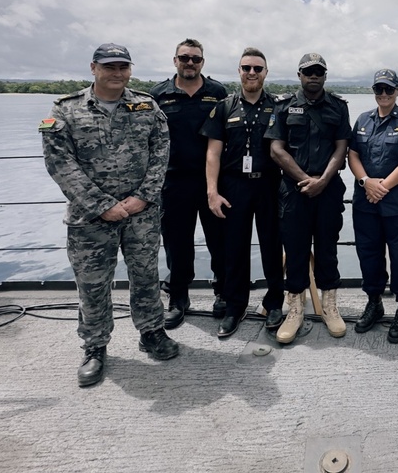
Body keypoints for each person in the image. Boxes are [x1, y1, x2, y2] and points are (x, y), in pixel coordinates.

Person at [40, 43, 178, 388]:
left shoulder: (146, 106)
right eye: (109, 66)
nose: (117, 73)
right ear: (93, 68)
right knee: (92, 283)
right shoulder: (66, 110)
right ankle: (95, 346)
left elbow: (161, 152)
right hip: (90, 217)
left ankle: (151, 332)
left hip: (141, 213)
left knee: (146, 274)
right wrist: (102, 204)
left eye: (123, 67)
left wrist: (144, 197)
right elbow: (59, 163)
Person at [266, 53, 352, 344]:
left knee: (327, 247)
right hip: (293, 191)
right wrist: (305, 179)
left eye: (318, 72)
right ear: (299, 75)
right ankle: (295, 309)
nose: (313, 76)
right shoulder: (284, 106)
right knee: (296, 248)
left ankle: (330, 306)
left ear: (325, 76)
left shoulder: (338, 107)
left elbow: (342, 148)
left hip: (327, 189)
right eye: (308, 72)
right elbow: (277, 149)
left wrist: (323, 180)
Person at [201, 47, 285, 338]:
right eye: (246, 67)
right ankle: (235, 308)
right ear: (239, 71)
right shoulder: (224, 107)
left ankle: (275, 302)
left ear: (265, 72)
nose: (252, 73)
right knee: (234, 249)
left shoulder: (278, 106)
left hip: (268, 185)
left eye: (257, 68)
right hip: (233, 186)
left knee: (272, 247)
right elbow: (213, 153)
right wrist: (212, 192)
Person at [150, 38, 228, 329]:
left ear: (202, 63)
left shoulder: (217, 92)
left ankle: (222, 292)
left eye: (195, 59)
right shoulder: (159, 94)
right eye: (185, 58)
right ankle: (178, 298)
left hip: (213, 182)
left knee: (219, 241)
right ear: (175, 61)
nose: (190, 63)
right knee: (177, 244)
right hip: (173, 182)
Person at [348, 68, 398, 344]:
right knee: (369, 255)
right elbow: (353, 154)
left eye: (388, 89)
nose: (383, 94)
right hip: (366, 203)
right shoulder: (362, 120)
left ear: (397, 91)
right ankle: (374, 302)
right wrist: (366, 181)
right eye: (378, 89)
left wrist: (382, 186)